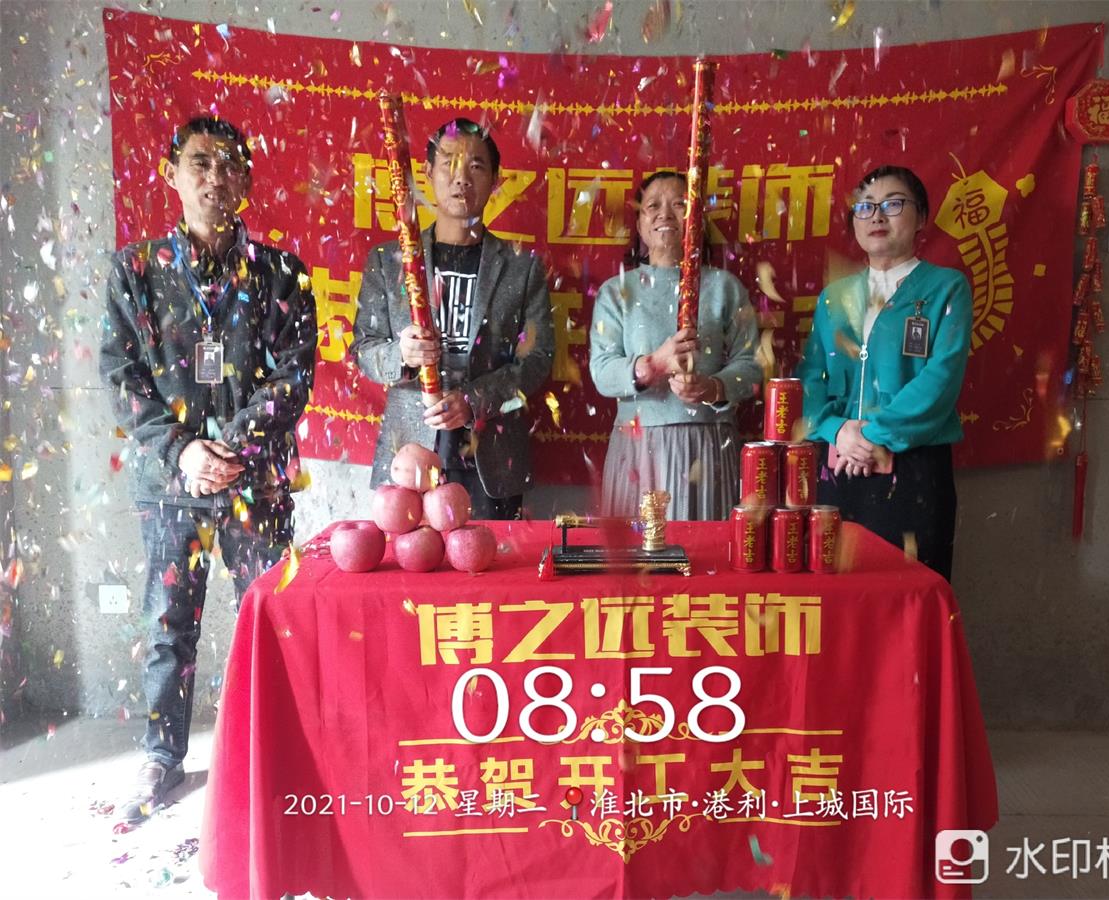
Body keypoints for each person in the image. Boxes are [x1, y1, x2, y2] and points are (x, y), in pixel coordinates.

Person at [101, 116, 317, 820]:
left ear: (247, 180)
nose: (215, 177)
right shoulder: (135, 271)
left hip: (257, 482)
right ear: (172, 175)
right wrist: (184, 452)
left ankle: (281, 753)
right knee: (169, 624)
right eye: (200, 163)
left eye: (229, 165)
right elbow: (122, 377)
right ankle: (161, 757)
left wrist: (231, 450)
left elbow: (293, 377)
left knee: (274, 618)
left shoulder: (283, 274)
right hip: (171, 487)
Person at [353, 118, 554, 519]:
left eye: (476, 166)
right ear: (428, 173)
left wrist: (475, 400)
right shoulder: (388, 261)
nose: (462, 178)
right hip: (409, 450)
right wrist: (401, 353)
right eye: (449, 164)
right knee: (407, 558)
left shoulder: (522, 268)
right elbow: (363, 349)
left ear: (496, 180)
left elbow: (537, 359)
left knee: (490, 558)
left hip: (492, 452)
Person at [795, 165, 971, 581]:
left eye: (893, 204)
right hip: (837, 466)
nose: (876, 216)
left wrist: (872, 436)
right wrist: (838, 430)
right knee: (837, 593)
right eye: (865, 206)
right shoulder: (835, 297)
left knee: (909, 591)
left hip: (913, 469)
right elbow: (811, 379)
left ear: (921, 216)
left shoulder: (946, 288)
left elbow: (940, 380)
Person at [589, 170, 761, 520]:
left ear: (698, 220)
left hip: (708, 445)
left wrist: (713, 387)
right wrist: (654, 365)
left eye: (680, 204)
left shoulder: (725, 287)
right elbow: (602, 372)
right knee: (637, 552)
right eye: (653, 206)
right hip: (637, 448)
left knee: (706, 550)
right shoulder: (616, 291)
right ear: (640, 225)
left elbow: (752, 366)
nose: (665, 214)